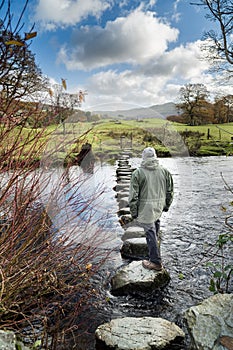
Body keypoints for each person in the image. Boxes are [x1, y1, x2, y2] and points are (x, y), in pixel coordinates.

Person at [128, 147, 173, 271]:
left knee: (150, 233)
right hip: (158, 207)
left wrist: (134, 212)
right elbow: (170, 191)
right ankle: (155, 254)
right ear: (155, 156)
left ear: (143, 157)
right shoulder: (165, 171)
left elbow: (133, 196)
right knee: (155, 229)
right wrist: (166, 205)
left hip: (145, 209)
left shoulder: (138, 173)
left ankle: (155, 262)